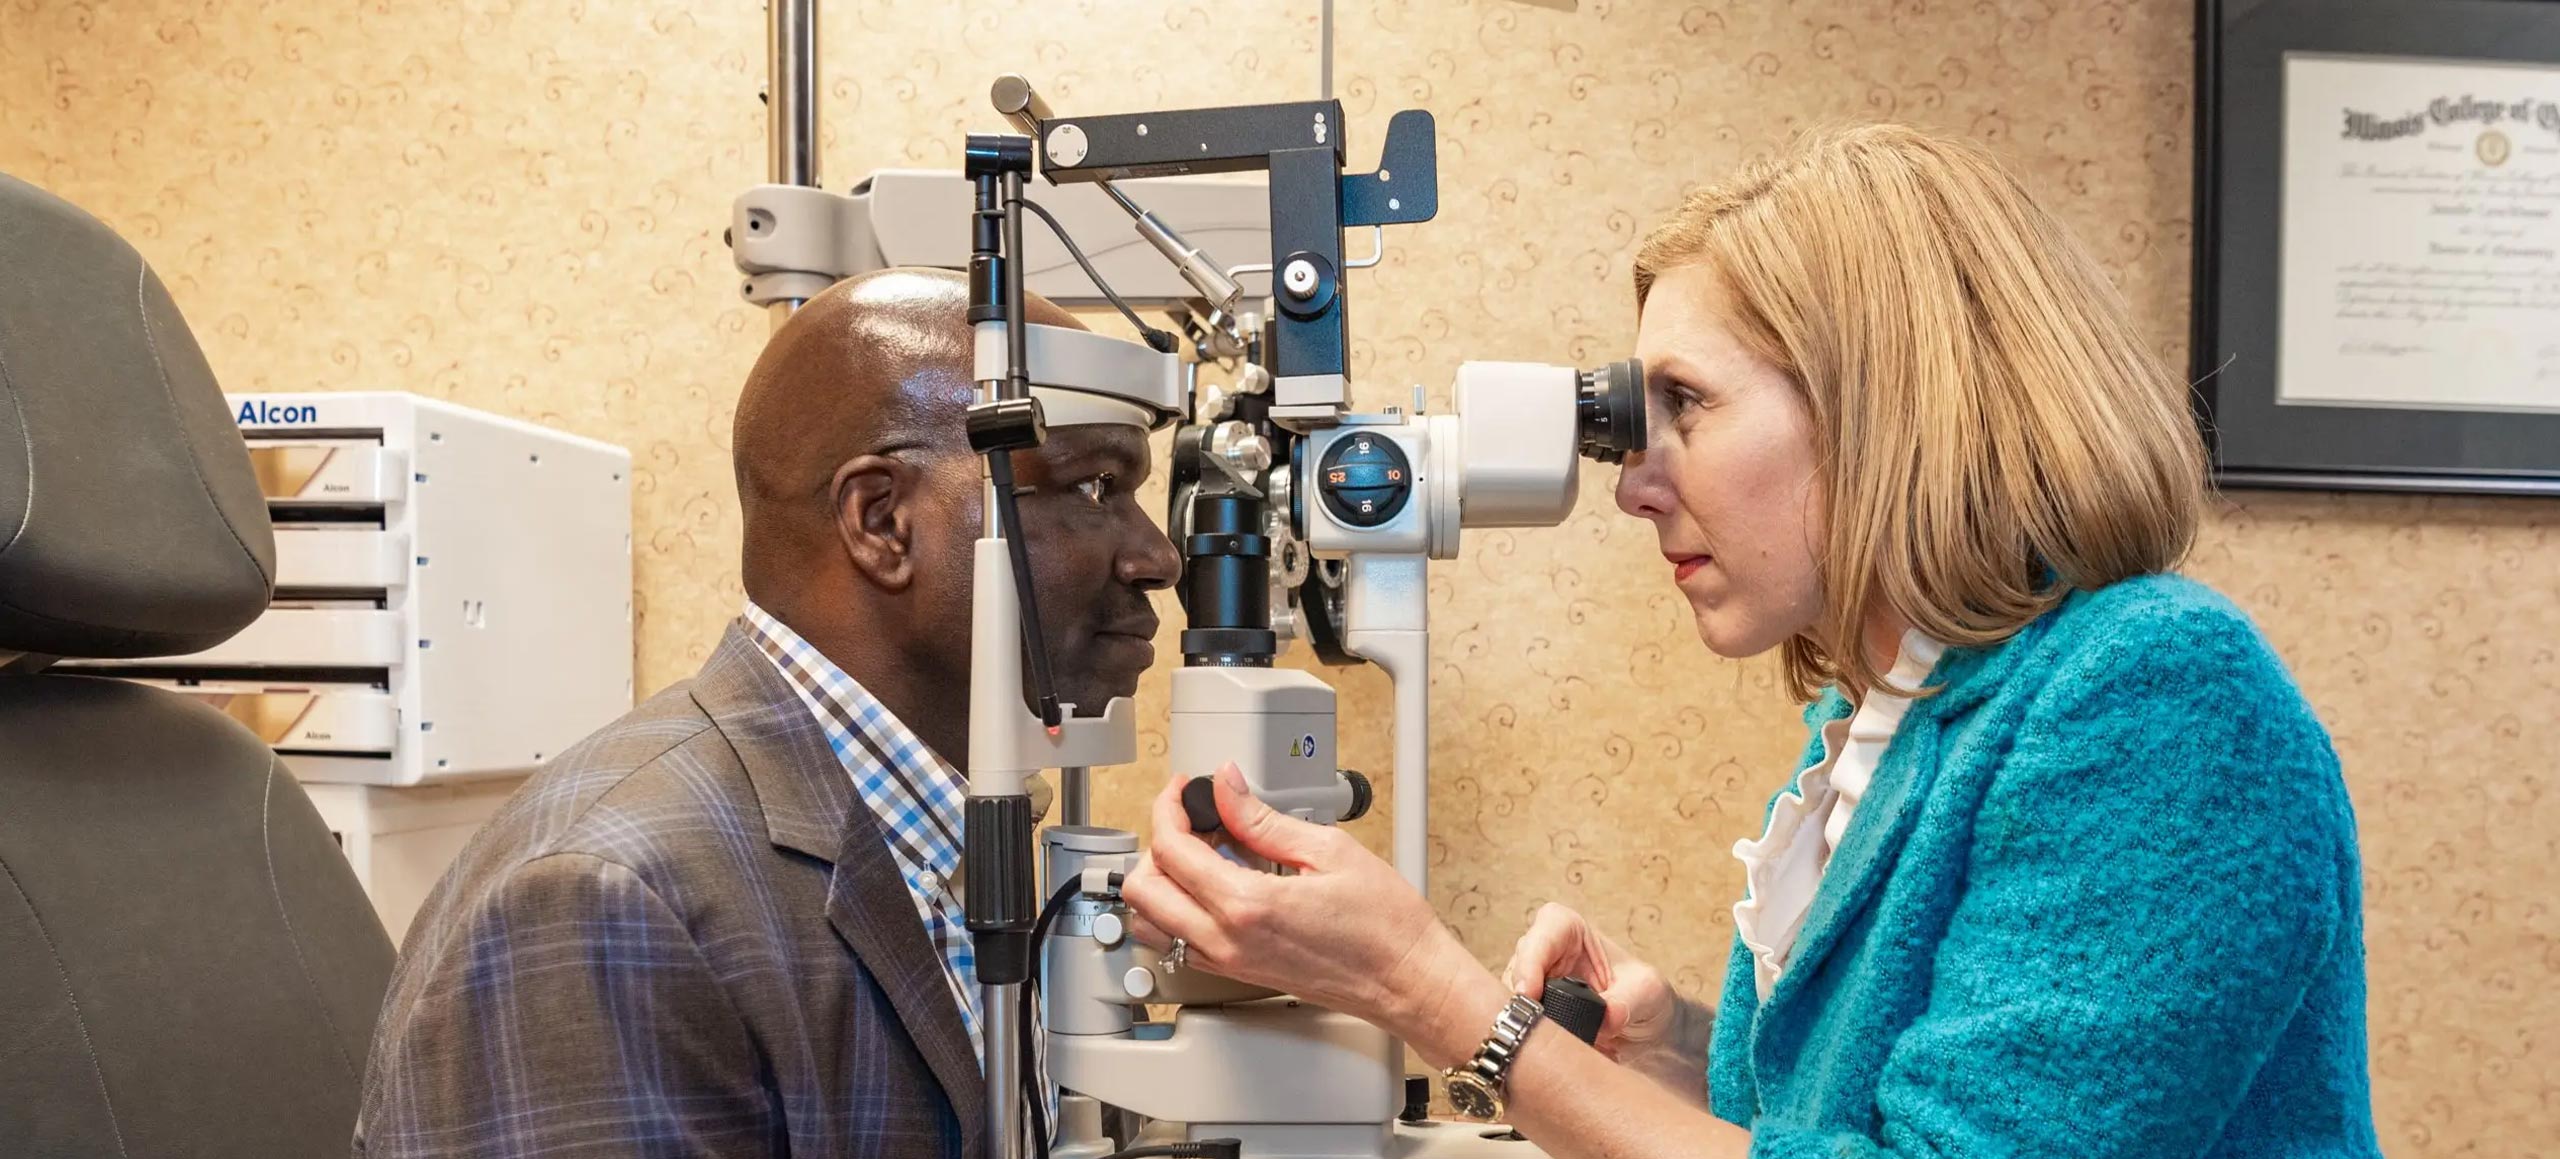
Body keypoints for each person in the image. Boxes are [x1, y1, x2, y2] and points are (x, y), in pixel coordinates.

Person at [1120, 124, 2381, 1158]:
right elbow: (1880, 1117)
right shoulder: (1886, 721)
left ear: (1881, 403)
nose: (1634, 484)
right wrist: (1669, 1047)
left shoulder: (2157, 695)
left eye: (1688, 405)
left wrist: (1438, 1000)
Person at [355, 268, 1181, 1157]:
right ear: (882, 522)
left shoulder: (931, 832)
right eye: (1094, 489)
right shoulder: (610, 901)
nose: (1158, 556)